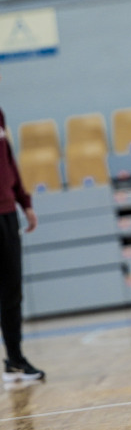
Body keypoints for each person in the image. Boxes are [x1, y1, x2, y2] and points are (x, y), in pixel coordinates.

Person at [0, 86, 45, 381]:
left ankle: (14, 359)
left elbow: (8, 163)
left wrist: (24, 202)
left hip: (6, 212)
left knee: (11, 291)